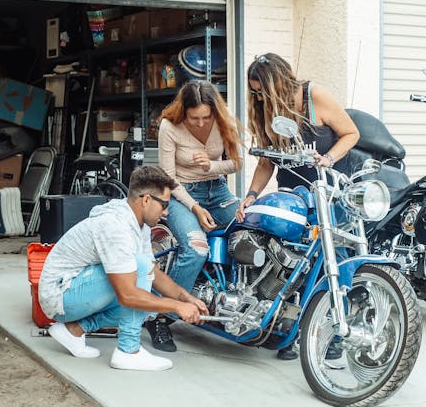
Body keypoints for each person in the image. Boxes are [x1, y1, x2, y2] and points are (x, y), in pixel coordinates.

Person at [235, 53, 360, 360]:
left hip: (326, 194)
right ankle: (288, 330)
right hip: (291, 196)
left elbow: (351, 133)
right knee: (289, 261)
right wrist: (251, 195)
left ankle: (334, 333)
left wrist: (328, 158)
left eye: (263, 90)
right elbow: (267, 161)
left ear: (279, 82)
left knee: (334, 263)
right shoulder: (266, 110)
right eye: (255, 92)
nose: (259, 97)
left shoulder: (313, 95)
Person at [38, 166, 208, 371]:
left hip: (75, 290)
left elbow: (153, 274)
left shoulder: (140, 225)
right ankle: (128, 351)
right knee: (139, 278)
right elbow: (128, 294)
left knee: (147, 298)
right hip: (59, 296)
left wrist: (185, 297)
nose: (166, 212)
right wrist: (176, 307)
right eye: (164, 205)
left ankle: (73, 330)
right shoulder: (115, 226)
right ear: (146, 200)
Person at [148, 79, 243, 353]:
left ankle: (231, 304)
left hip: (218, 190)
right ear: (184, 112)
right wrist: (194, 208)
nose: (201, 123)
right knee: (196, 249)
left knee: (248, 233)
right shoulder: (169, 127)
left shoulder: (225, 122)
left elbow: (236, 163)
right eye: (194, 118)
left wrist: (212, 165)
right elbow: (168, 178)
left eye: (206, 117)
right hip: (181, 194)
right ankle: (160, 317)